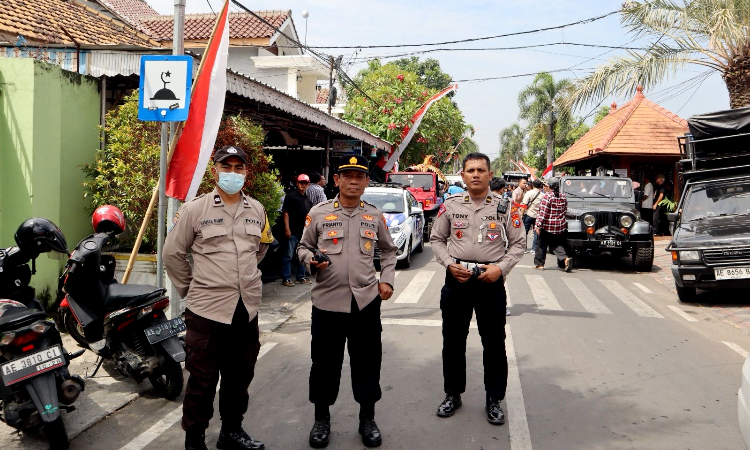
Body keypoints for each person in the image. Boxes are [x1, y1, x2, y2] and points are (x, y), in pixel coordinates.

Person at [164, 145, 274, 450]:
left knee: (240, 378)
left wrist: (243, 280)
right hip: (206, 312)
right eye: (227, 167)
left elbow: (261, 248)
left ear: (246, 173)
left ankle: (231, 432)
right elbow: (172, 254)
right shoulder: (195, 210)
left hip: (246, 310)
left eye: (239, 168)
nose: (233, 173)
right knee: (202, 381)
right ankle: (195, 440)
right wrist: (192, 289)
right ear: (216, 171)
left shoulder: (258, 210)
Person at [298, 155, 397, 449]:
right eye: (347, 175)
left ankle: (367, 418)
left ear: (367, 182)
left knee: (367, 363)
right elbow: (303, 247)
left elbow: (389, 251)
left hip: (365, 303)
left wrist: (387, 279)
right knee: (325, 364)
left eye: (359, 176)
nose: (353, 181)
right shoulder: (318, 213)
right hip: (327, 303)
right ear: (337, 180)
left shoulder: (374, 215)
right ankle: (321, 419)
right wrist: (310, 260)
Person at [430, 153, 526, 426]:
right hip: (457, 280)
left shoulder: (505, 207)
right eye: (470, 170)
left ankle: (493, 399)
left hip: (490, 280)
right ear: (462, 175)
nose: (475, 174)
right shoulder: (449, 206)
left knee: (494, 344)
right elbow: (436, 239)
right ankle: (452, 394)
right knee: (453, 341)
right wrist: (448, 264)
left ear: (488, 174)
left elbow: (519, 243)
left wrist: (501, 268)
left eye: (480, 170)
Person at [534, 177, 572, 272]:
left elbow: (542, 213)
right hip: (559, 226)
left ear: (549, 186)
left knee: (541, 245)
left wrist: (538, 225)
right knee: (556, 245)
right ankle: (565, 259)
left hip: (547, 226)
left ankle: (540, 265)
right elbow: (564, 211)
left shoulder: (547, 196)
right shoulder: (563, 196)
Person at [281, 174, 313, 287]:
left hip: (303, 232)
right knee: (288, 255)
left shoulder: (307, 198)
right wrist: (287, 228)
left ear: (308, 184)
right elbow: (286, 213)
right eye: (301, 183)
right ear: (297, 183)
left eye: (305, 183)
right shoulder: (291, 196)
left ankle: (301, 276)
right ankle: (286, 278)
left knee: (302, 255)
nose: (303, 185)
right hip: (293, 231)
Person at [521, 179, 544, 253]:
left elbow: (524, 205)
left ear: (533, 185)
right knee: (536, 233)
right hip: (538, 216)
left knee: (525, 231)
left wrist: (521, 214)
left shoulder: (529, 193)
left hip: (529, 214)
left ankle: (524, 248)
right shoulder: (543, 195)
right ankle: (534, 249)